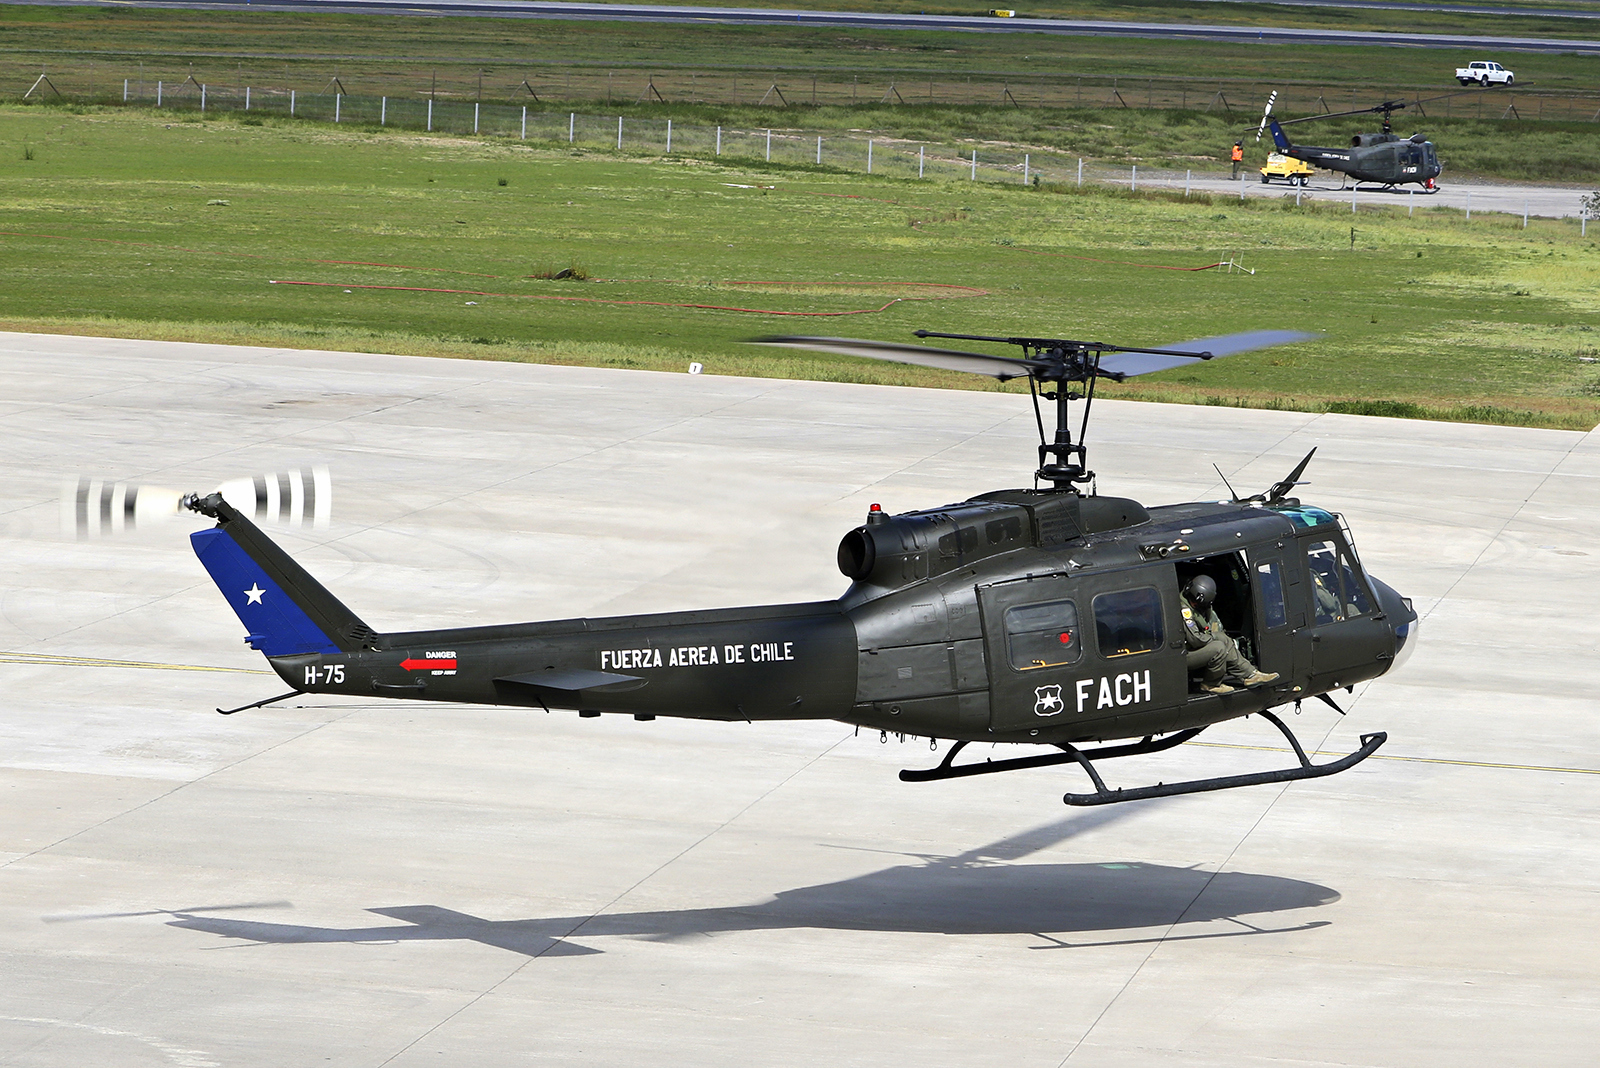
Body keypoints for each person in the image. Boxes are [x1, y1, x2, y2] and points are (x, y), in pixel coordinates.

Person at [1181, 575, 1278, 695]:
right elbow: (1196, 639)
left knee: (1224, 639)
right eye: (1194, 602)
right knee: (1219, 648)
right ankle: (1210, 685)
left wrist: (1215, 636)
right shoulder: (1184, 610)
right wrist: (1213, 637)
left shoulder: (1198, 606)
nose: (1194, 604)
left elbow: (1209, 630)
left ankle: (1250, 674)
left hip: (1191, 648)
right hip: (1181, 655)